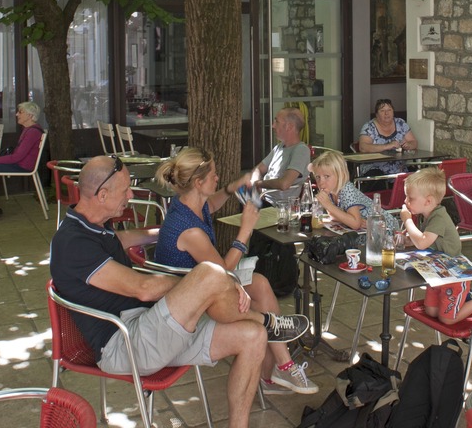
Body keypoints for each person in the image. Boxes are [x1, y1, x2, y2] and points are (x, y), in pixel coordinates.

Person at [49, 156, 311, 428]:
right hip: (125, 344)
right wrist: (200, 286)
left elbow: (121, 240)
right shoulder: (73, 243)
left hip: (151, 329)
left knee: (253, 336)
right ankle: (269, 321)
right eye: (125, 190)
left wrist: (164, 233)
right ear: (102, 194)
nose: (131, 196)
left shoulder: (95, 226)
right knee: (210, 273)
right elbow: (144, 288)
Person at [153, 148, 318, 395]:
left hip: (199, 286)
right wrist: (245, 230)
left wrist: (231, 189)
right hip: (190, 302)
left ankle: (279, 367)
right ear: (198, 183)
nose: (217, 177)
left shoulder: (187, 202)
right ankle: (278, 361)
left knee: (260, 284)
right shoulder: (189, 231)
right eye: (213, 174)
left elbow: (211, 203)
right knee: (258, 296)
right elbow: (221, 273)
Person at [398, 167, 472, 324]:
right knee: (431, 311)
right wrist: (406, 240)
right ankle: (465, 298)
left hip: (455, 274)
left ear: (428, 201)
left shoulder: (438, 218)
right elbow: (424, 240)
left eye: (410, 198)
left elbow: (422, 243)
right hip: (438, 272)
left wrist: (407, 220)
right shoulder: (428, 215)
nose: (405, 201)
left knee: (447, 319)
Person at [229, 107, 309, 203]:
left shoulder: (301, 150)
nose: (273, 126)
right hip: (262, 199)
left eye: (277, 122)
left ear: (289, 126)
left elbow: (284, 184)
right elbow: (259, 169)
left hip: (278, 206)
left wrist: (258, 184)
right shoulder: (279, 147)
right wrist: (254, 181)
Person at [310, 150, 399, 233]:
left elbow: (355, 224)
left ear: (340, 175)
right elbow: (333, 216)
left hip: (385, 229)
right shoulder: (330, 191)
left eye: (326, 176)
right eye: (318, 177)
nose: (321, 182)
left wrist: (329, 205)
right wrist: (349, 219)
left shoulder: (347, 189)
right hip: (366, 231)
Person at [357, 98, 418, 176]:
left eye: (389, 110)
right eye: (382, 111)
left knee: (417, 175)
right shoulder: (369, 127)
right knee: (376, 175)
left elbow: (414, 142)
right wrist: (388, 146)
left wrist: (408, 145)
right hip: (374, 169)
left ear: (393, 112)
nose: (386, 113)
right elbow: (363, 147)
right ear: (376, 114)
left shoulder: (400, 123)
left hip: (400, 168)